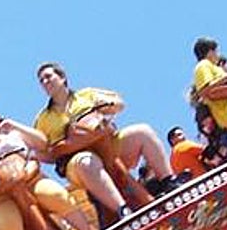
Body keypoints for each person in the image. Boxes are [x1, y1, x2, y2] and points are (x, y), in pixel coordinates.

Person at [28, 62, 180, 219]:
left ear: (62, 78)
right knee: (88, 162)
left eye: (48, 77)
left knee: (143, 131)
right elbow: (43, 152)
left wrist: (104, 109)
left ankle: (169, 182)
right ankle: (123, 210)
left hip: (108, 145)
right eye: (41, 81)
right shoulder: (43, 119)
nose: (45, 82)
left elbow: (119, 103)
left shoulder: (86, 95)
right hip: (76, 161)